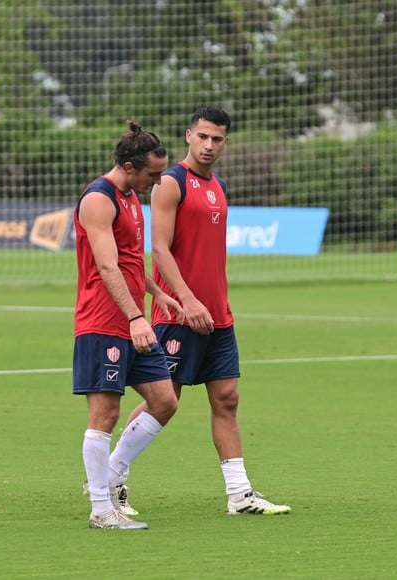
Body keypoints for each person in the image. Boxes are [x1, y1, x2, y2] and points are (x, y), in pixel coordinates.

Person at [119, 106, 291, 515]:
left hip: (218, 315)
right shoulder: (170, 183)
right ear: (188, 136)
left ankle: (239, 494)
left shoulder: (219, 185)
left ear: (225, 142)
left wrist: (212, 302)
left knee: (227, 398)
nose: (209, 145)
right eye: (203, 137)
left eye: (217, 139)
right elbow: (159, 250)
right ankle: (113, 479)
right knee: (164, 400)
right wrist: (188, 299)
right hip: (180, 313)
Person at [73, 120, 183, 530]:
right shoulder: (98, 200)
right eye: (153, 175)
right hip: (104, 321)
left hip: (134, 320)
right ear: (131, 166)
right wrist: (137, 316)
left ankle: (111, 473)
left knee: (165, 400)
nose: (158, 183)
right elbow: (106, 265)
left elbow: (131, 261)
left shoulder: (133, 196)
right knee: (105, 413)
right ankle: (102, 509)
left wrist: (158, 293)